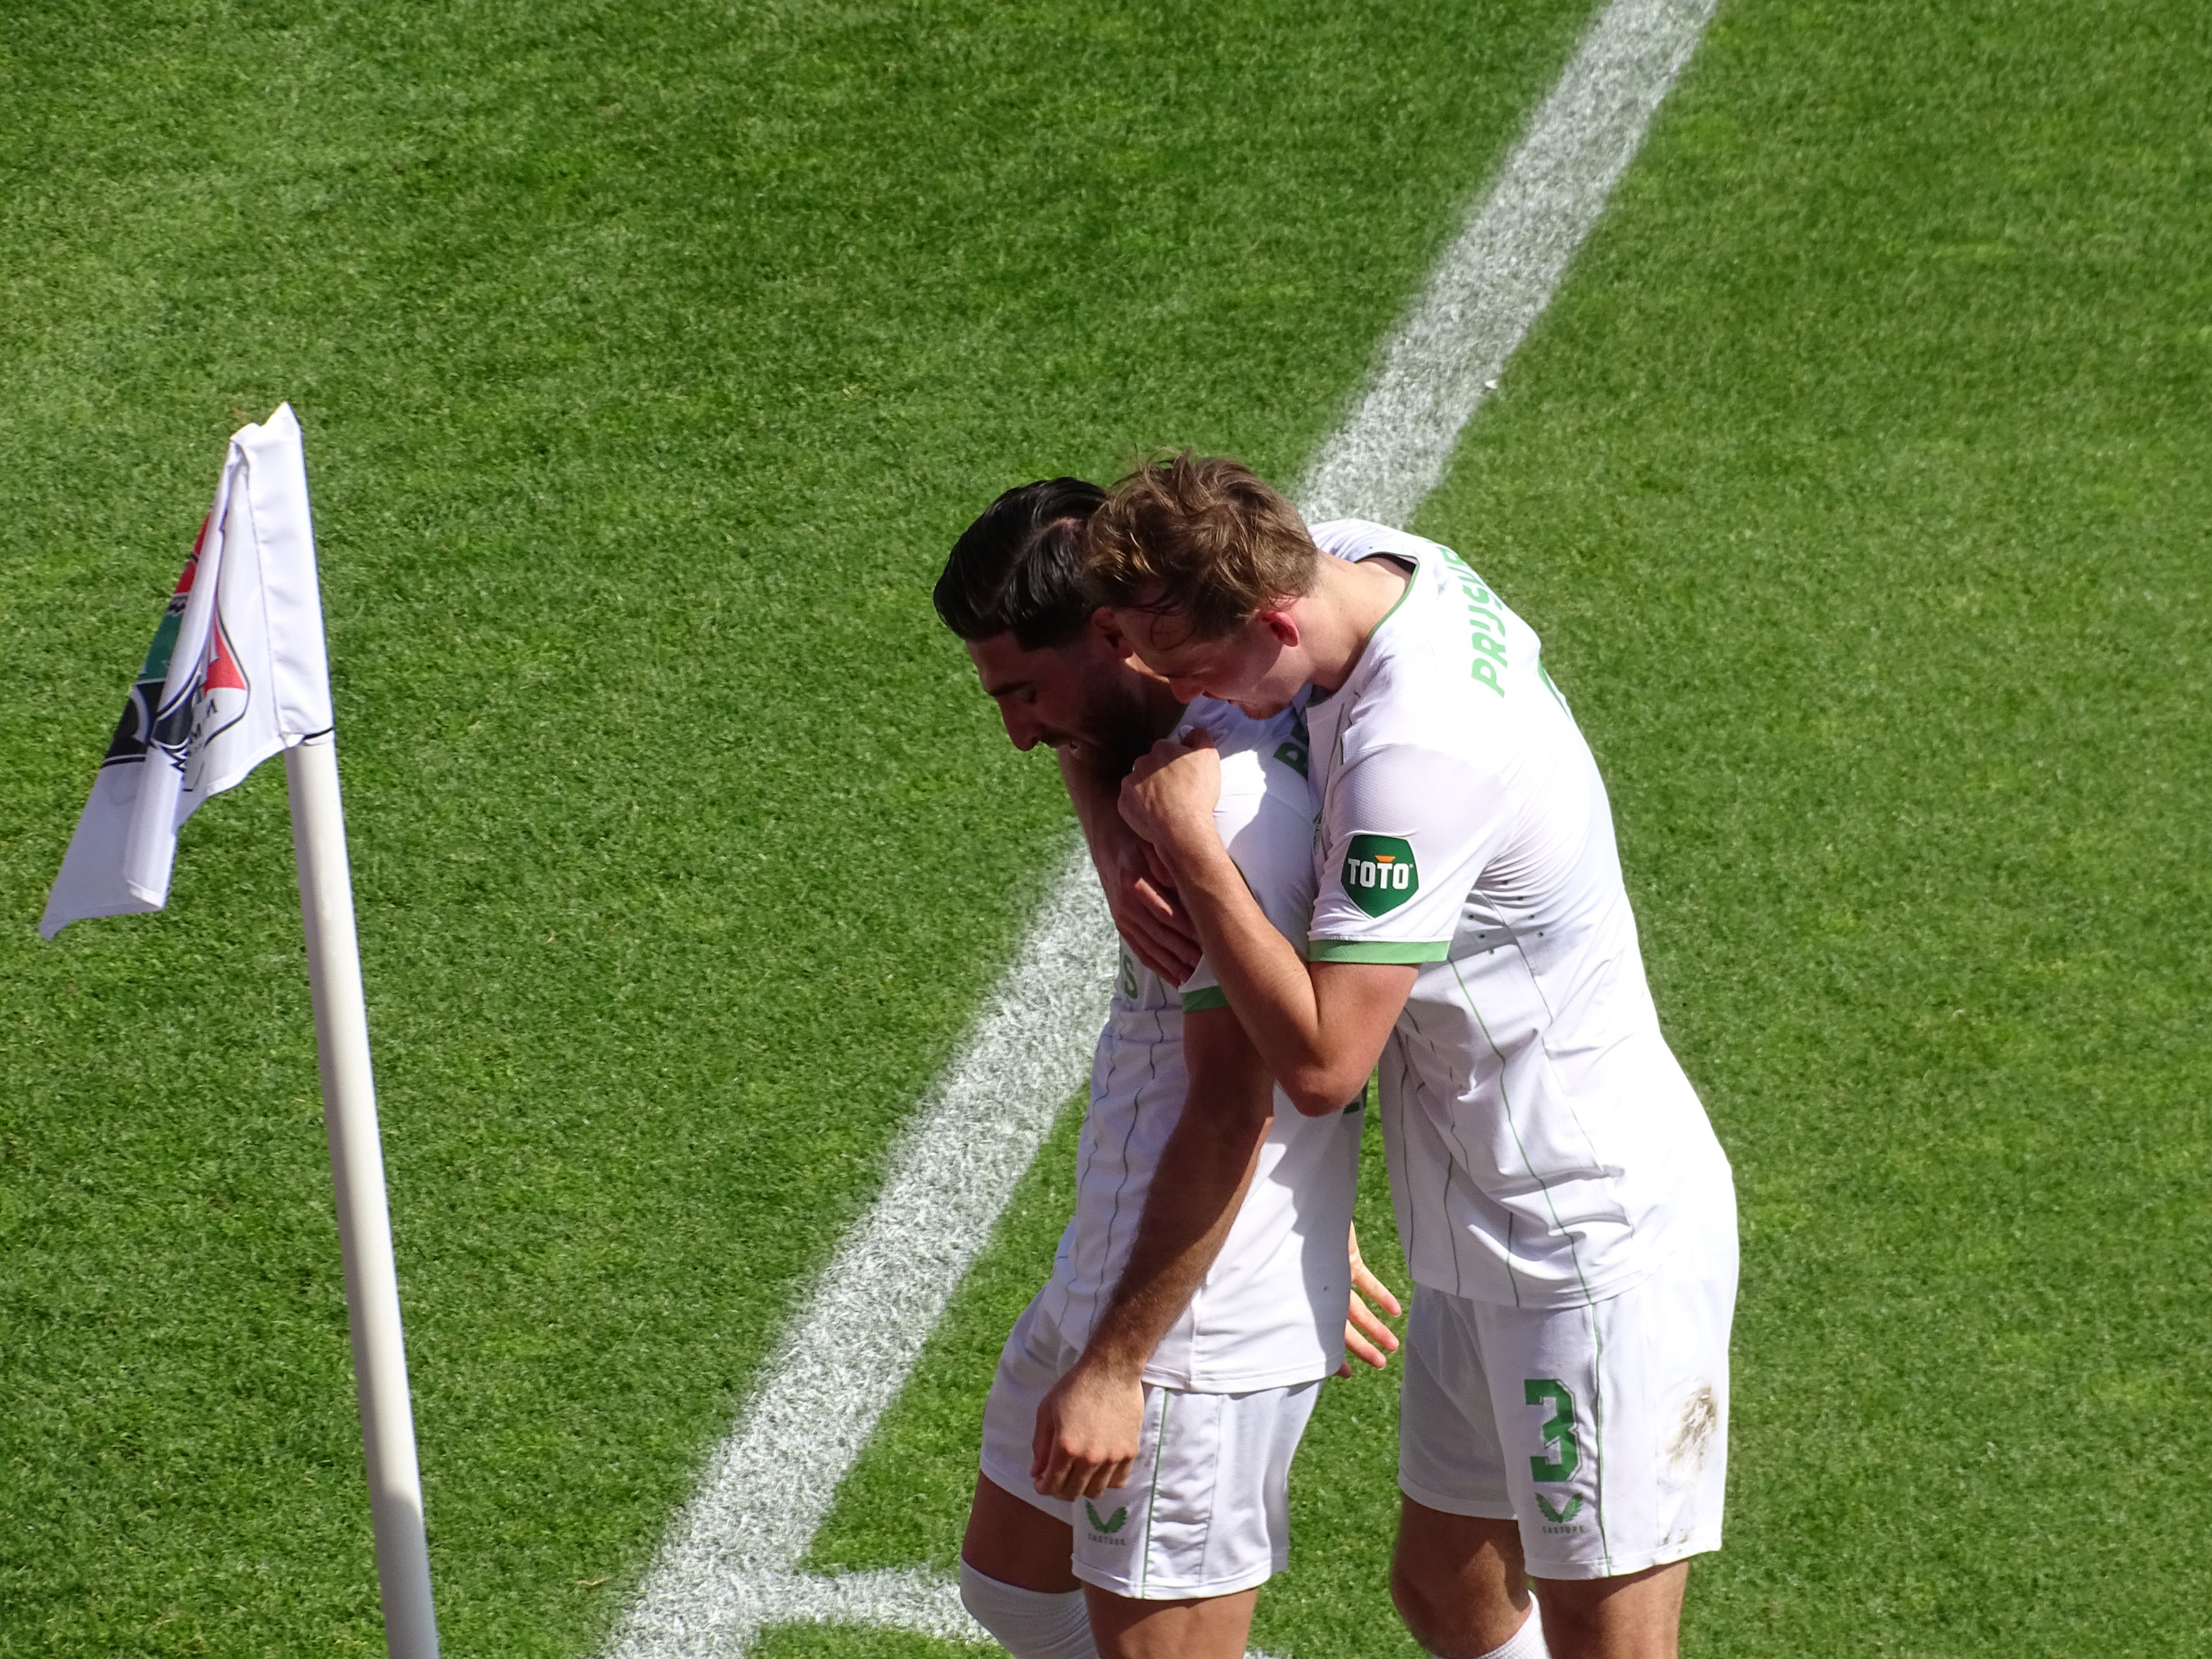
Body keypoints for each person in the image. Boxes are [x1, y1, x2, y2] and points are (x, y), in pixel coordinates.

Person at [1081, 454, 1737, 1659]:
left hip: (1587, 1240)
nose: (1186, 704)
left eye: (1199, 676)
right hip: (1482, 1215)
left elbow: (1325, 1064)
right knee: (1448, 1592)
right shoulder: (1356, 557)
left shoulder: (1416, 756)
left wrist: (1195, 851)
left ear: (1276, 623)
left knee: (1611, 1641)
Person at [935, 478, 1401, 1659]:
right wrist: (1112, 835)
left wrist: (1118, 1365)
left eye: (1025, 693)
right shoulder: (1164, 750)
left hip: (1188, 1336)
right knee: (1012, 1590)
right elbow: (1097, 728)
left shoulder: (1226, 812)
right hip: (1119, 1257)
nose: (1019, 734)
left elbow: (1237, 1103)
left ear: (1112, 635)